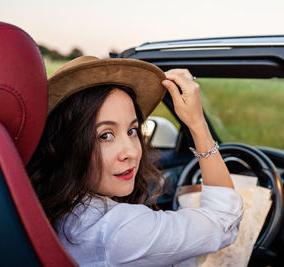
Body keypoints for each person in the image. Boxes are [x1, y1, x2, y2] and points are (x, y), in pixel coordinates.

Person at [27, 56, 243, 266]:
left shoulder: (48, 206)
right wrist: (197, 123)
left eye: (132, 130)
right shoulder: (121, 231)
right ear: (67, 145)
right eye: (105, 135)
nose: (131, 151)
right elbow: (224, 221)